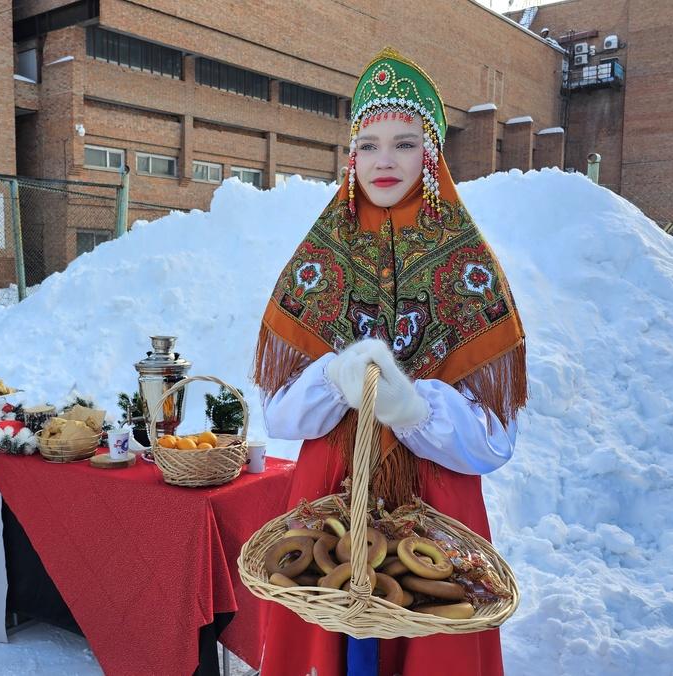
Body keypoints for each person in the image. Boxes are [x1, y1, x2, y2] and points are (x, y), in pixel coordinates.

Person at [253, 46, 527, 676]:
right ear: (350, 154)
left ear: (432, 154)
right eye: (368, 144)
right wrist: (331, 378)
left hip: (437, 508)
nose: (383, 161)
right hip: (327, 500)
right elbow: (280, 416)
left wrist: (414, 408)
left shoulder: (470, 268)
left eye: (404, 143)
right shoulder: (315, 261)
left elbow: (493, 442)